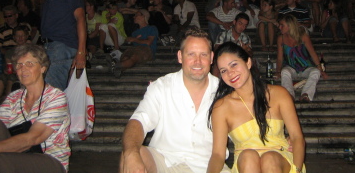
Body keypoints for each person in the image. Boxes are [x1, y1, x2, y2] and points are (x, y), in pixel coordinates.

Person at [119, 28, 230, 173]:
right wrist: (130, 154)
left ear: (211, 58)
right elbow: (139, 121)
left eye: (203, 54)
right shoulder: (162, 87)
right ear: (180, 56)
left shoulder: (224, 92)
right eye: (191, 54)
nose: (197, 61)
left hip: (211, 165)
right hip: (165, 161)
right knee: (131, 155)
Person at [207, 42, 306, 173]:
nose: (230, 73)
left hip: (281, 160)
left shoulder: (278, 94)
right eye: (223, 71)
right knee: (248, 156)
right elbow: (218, 155)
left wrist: (297, 170)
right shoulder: (221, 107)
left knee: (269, 159)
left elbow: (297, 137)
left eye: (234, 65)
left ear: (248, 63)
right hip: (245, 164)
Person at [0, 44, 70, 173]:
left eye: (29, 64)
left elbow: (34, 138)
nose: (23, 69)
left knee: (1, 160)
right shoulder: (13, 98)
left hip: (49, 161)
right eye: (19, 65)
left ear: (43, 68)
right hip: (18, 155)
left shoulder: (56, 97)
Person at [41, 0, 86, 91]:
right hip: (49, 47)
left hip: (62, 46)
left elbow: (80, 18)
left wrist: (81, 52)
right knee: (46, 93)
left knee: (50, 93)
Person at [276, 14, 328, 102]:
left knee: (315, 72)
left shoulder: (303, 36)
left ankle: (306, 94)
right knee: (284, 72)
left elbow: (312, 53)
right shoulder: (281, 38)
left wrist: (321, 70)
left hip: (305, 66)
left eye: (282, 25)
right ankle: (289, 95)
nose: (279, 27)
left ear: (289, 26)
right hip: (291, 66)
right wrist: (277, 71)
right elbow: (280, 57)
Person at [111, 9, 158, 78]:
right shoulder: (134, 32)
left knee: (134, 57)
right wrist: (130, 40)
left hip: (146, 50)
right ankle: (118, 68)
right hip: (134, 49)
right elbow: (131, 41)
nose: (134, 17)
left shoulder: (152, 28)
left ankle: (115, 65)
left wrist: (135, 40)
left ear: (143, 17)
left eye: (136, 15)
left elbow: (148, 42)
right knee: (126, 57)